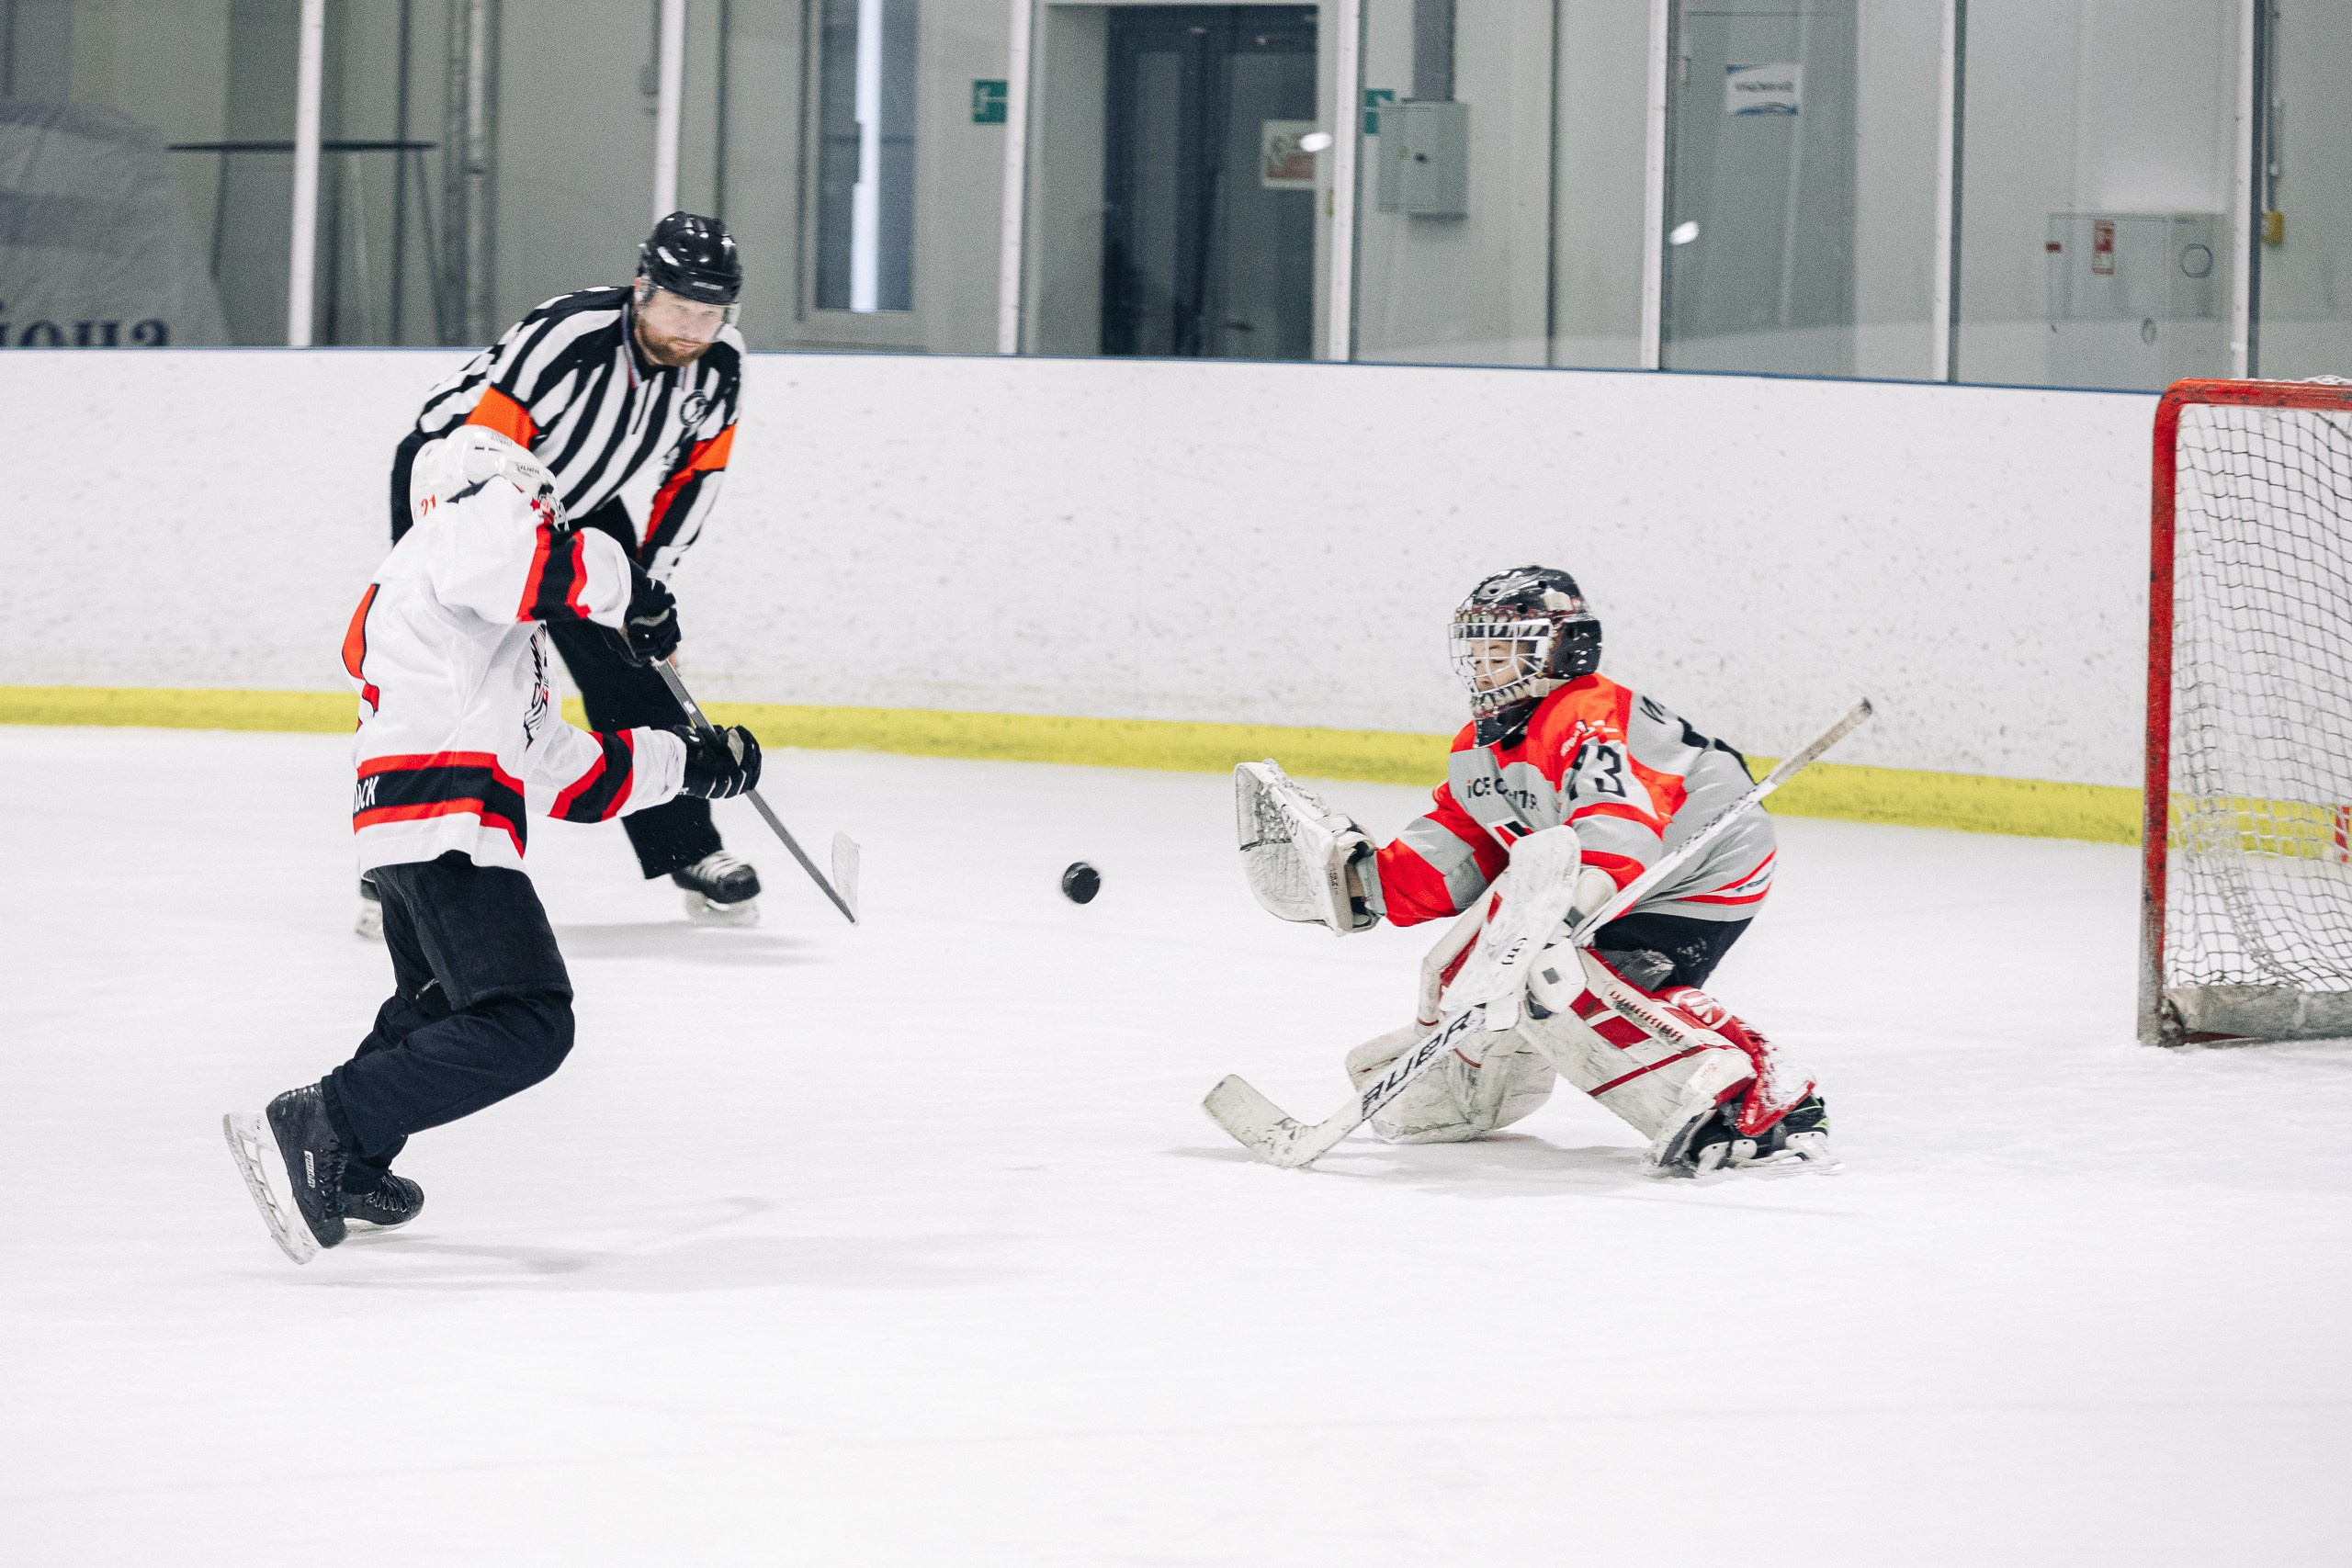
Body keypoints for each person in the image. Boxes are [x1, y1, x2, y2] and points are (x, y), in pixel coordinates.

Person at [224, 425, 764, 1264]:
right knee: (528, 1020)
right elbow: (536, 564)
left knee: (441, 1005)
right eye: (540, 501)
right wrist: (633, 588)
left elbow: (568, 772)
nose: (545, 512)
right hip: (446, 813)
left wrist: (688, 762)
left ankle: (351, 1161)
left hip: (412, 819)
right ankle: (323, 1121)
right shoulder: (472, 525)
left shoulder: (480, 627)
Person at [1235, 565, 1832, 1176]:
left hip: (1699, 868)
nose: (1486, 669)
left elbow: (1619, 821)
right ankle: (1473, 1088)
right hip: (1602, 870)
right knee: (1472, 966)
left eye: (1504, 653)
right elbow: (1465, 842)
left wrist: (1569, 912)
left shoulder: (1587, 713)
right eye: (1478, 654)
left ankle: (1762, 1095)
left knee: (1564, 975)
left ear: (1567, 649)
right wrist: (1369, 884)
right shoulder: (1480, 744)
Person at [358, 209, 758, 935]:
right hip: (461, 490)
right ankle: (402, 856)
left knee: (632, 667)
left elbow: (695, 479)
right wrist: (508, 570)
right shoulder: (568, 333)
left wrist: (649, 590)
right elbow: (485, 443)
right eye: (678, 306)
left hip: (580, 502)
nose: (693, 328)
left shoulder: (721, 365)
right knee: (449, 674)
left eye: (711, 312)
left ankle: (687, 845)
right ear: (642, 287)